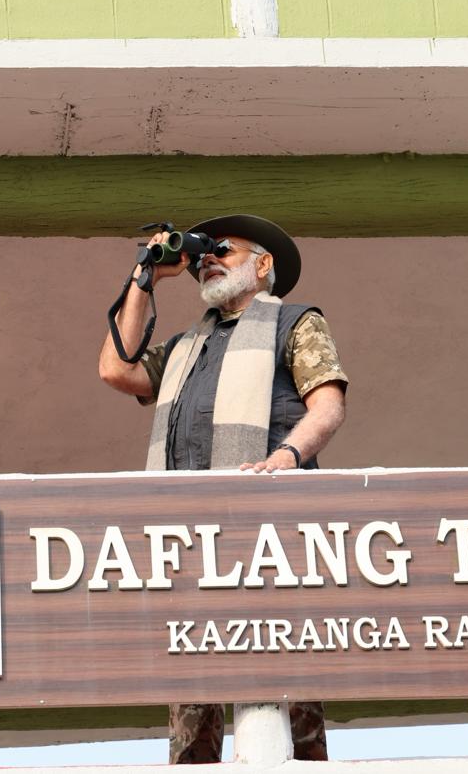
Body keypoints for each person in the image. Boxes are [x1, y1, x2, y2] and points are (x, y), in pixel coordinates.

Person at [98, 213, 348, 763]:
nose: (209, 257)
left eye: (225, 250)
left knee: (287, 686)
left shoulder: (295, 322)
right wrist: (147, 276)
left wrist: (285, 457)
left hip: (273, 536)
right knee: (190, 698)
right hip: (191, 540)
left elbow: (327, 407)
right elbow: (118, 369)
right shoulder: (188, 345)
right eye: (206, 252)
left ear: (263, 266)